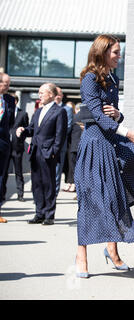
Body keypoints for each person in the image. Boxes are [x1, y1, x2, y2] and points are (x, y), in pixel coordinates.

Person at [74, 34, 134, 278]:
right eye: (116, 52)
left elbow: (113, 116)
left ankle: (113, 249)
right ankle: (81, 255)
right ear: (102, 52)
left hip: (111, 140)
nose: (120, 56)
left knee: (120, 187)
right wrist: (126, 131)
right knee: (90, 198)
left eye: (119, 51)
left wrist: (119, 115)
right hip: (95, 143)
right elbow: (97, 116)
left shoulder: (113, 78)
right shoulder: (90, 79)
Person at [16, 83, 68, 226]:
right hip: (35, 152)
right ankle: (39, 213)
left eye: (41, 93)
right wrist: (23, 130)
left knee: (48, 184)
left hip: (48, 153)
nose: (39, 96)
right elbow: (32, 129)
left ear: (51, 94)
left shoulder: (59, 111)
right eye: (39, 93)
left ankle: (49, 215)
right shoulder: (38, 111)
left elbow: (60, 136)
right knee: (36, 184)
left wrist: (53, 153)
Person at [1, 93, 29, 203]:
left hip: (17, 147)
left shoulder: (23, 113)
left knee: (18, 172)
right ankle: (2, 194)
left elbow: (26, 128)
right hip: (6, 146)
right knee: (4, 173)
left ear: (15, 102)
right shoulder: (5, 111)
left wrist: (21, 134)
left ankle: (20, 194)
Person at [0, 72, 15, 223]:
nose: (8, 86)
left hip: (3, 143)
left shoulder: (10, 100)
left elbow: (11, 122)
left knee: (1, 178)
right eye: (6, 83)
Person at [54, 87, 73, 196]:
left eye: (59, 94)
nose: (57, 96)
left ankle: (54, 194)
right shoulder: (46, 108)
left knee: (57, 170)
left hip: (60, 144)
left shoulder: (67, 109)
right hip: (46, 145)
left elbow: (68, 127)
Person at [65, 103, 83, 193]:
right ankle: (75, 186)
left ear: (76, 109)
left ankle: (73, 185)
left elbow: (68, 132)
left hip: (73, 146)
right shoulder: (86, 118)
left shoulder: (74, 118)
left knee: (73, 167)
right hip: (83, 146)